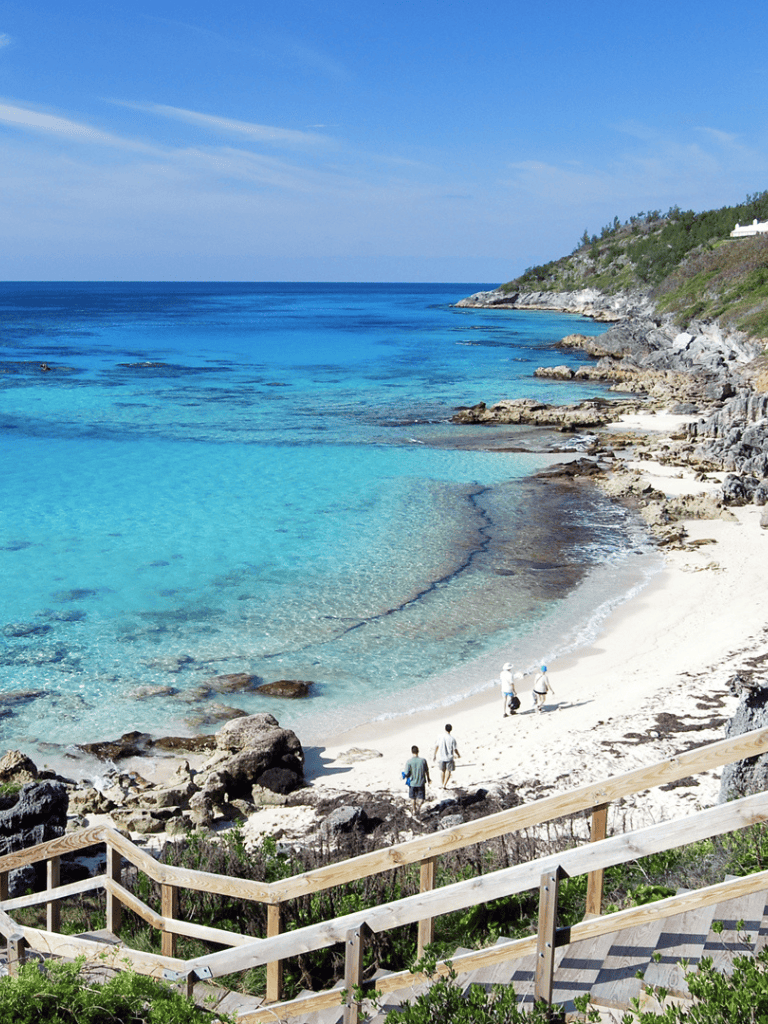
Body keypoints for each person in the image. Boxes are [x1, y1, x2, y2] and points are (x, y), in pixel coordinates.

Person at [403, 745, 430, 815]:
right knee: (421, 798)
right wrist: (429, 779)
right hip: (421, 782)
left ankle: (414, 809)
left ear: (412, 752)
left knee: (413, 798)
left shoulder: (409, 761)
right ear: (418, 751)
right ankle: (418, 807)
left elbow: (406, 773)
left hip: (412, 782)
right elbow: (426, 771)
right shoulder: (423, 761)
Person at [433, 724, 460, 788]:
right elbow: (455, 749)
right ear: (451, 729)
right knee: (448, 771)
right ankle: (444, 784)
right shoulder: (452, 739)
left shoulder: (440, 736)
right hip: (449, 758)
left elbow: (437, 746)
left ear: (445, 729)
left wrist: (435, 754)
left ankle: (442, 783)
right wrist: (458, 754)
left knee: (442, 771)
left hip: (442, 757)